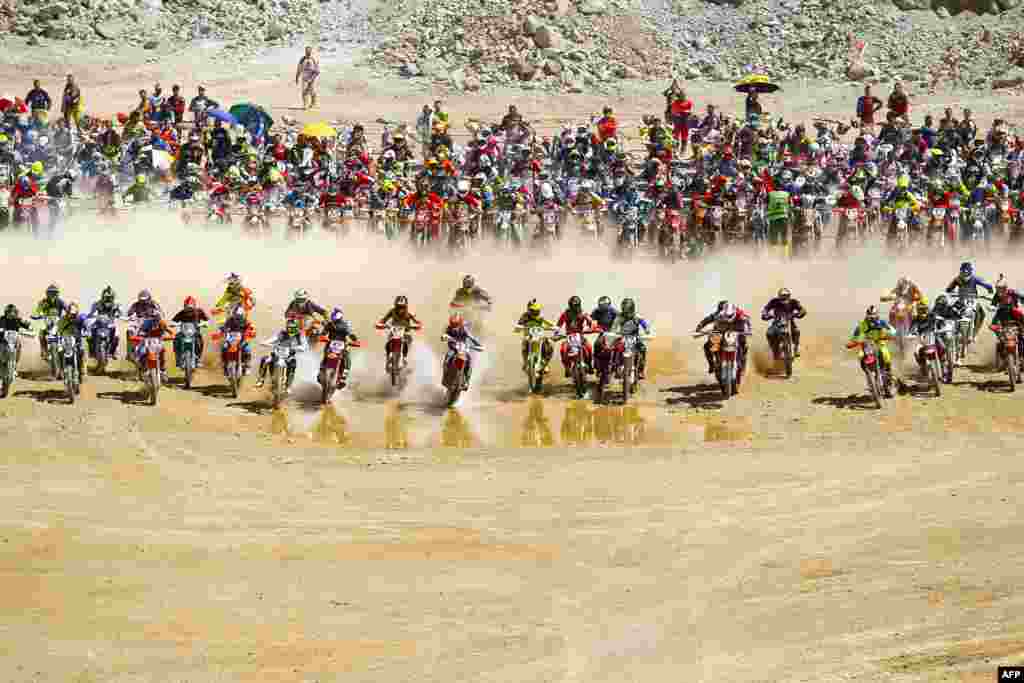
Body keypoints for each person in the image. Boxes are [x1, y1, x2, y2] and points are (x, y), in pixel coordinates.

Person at [848, 306, 895, 394]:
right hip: (866, 347)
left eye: (874, 315)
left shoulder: (882, 322)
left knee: (886, 356)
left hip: (879, 344)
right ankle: (869, 375)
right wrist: (852, 342)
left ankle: (889, 377)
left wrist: (890, 335)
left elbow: (892, 330)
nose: (872, 317)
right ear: (867, 316)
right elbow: (854, 337)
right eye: (870, 315)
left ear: (877, 315)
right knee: (860, 356)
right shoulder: (862, 325)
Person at [696, 301, 750, 377]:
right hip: (720, 335)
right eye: (720, 309)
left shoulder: (739, 314)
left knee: (744, 345)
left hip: (735, 335)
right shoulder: (717, 315)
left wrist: (748, 330)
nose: (721, 311)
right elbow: (707, 320)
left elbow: (746, 320)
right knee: (708, 346)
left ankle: (742, 365)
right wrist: (699, 327)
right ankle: (712, 364)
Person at [945, 261, 993, 338]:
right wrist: (950, 292)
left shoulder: (975, 278)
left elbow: (987, 285)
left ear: (970, 271)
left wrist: (990, 292)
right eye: (963, 271)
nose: (965, 273)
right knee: (949, 312)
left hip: (972, 301)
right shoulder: (957, 279)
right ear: (961, 271)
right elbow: (949, 288)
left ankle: (975, 333)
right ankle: (952, 331)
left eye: (967, 271)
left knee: (982, 314)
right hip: (961, 300)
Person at [608, 297, 652, 379]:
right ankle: (614, 367)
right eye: (625, 310)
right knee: (614, 348)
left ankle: (640, 370)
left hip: (635, 337)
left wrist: (647, 331)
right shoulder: (619, 317)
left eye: (628, 310)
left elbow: (645, 325)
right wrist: (612, 333)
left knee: (642, 349)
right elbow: (614, 327)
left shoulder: (637, 317)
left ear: (632, 309)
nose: (627, 313)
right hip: (622, 337)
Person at [318, 307, 359, 388]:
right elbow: (323, 333)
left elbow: (351, 334)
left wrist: (355, 341)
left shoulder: (345, 325)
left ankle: (343, 378)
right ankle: (321, 372)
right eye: (333, 315)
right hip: (330, 344)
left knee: (347, 359)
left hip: (343, 345)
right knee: (325, 356)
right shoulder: (329, 324)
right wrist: (322, 337)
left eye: (335, 314)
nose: (334, 317)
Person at [377, 295, 422, 366]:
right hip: (394, 331)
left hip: (405, 332)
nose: (400, 309)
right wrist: (380, 324)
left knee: (407, 339)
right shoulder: (392, 311)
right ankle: (388, 356)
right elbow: (383, 320)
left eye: (402, 307)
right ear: (395, 306)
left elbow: (417, 322)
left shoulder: (409, 313)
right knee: (389, 340)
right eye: (398, 307)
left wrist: (417, 326)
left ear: (406, 306)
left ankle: (404, 357)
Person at [761, 288, 807, 358]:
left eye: (786, 296)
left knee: (797, 331)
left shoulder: (793, 302)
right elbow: (766, 308)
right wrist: (765, 314)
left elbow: (802, 309)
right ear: (779, 296)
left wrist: (800, 313)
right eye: (782, 296)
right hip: (777, 322)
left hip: (789, 322)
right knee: (769, 333)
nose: (784, 298)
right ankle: (775, 350)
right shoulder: (774, 301)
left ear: (789, 296)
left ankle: (796, 348)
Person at [443, 312, 483, 389]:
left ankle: (467, 381)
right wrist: (445, 337)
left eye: (456, 324)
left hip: (463, 349)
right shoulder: (449, 328)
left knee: (470, 362)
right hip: (453, 348)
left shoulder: (464, 329)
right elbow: (444, 335)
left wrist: (478, 345)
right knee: (447, 358)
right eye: (452, 324)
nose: (454, 326)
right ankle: (445, 377)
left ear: (460, 323)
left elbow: (472, 338)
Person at [556, 295, 595, 375]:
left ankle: (589, 365)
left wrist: (592, 326)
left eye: (577, 305)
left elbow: (590, 321)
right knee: (563, 350)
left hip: (580, 336)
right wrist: (557, 332)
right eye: (574, 306)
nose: (575, 307)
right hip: (569, 336)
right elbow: (559, 324)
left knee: (589, 347)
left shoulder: (583, 313)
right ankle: (567, 368)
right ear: (570, 305)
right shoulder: (566, 313)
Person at [516, 299, 556, 374]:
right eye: (533, 311)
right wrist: (518, 328)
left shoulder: (540, 317)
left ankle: (545, 364)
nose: (535, 313)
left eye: (537, 311)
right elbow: (519, 324)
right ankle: (525, 362)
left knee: (549, 345)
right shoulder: (525, 316)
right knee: (524, 344)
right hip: (529, 336)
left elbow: (548, 323)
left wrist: (554, 327)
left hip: (540, 336)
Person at [171, 296, 209, 367]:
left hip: (195, 333)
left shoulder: (199, 311)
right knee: (176, 340)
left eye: (191, 306)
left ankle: (198, 359)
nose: (189, 308)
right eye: (187, 306)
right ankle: (178, 358)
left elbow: (206, 319)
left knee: (200, 341)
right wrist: (173, 324)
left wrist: (205, 323)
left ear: (194, 305)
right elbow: (174, 320)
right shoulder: (182, 312)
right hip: (183, 332)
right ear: (185, 305)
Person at [220, 305, 256, 379]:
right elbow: (224, 326)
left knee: (247, 349)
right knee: (224, 348)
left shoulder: (245, 321)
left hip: (241, 340)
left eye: (239, 314)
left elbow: (250, 326)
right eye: (236, 314)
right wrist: (222, 329)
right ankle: (225, 366)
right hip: (231, 339)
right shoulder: (230, 320)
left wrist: (252, 330)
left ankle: (247, 366)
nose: (237, 316)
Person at [87, 286, 123, 359]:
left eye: (110, 298)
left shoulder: (116, 305)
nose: (108, 300)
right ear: (103, 297)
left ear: (113, 298)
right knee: (89, 335)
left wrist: (119, 314)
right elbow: (92, 313)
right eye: (106, 297)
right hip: (99, 323)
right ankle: (91, 352)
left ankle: (113, 352)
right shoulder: (97, 304)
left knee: (116, 336)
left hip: (110, 324)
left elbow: (120, 313)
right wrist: (91, 315)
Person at [31, 283, 66, 359]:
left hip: (58, 322)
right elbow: (37, 310)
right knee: (41, 334)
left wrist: (69, 315)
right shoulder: (43, 302)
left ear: (57, 293)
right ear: (47, 293)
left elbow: (67, 309)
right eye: (50, 292)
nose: (52, 294)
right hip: (47, 322)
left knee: (66, 333)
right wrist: (37, 314)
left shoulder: (61, 302)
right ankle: (44, 350)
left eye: (54, 292)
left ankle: (67, 349)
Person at [56, 303, 88, 379]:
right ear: (67, 312)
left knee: (82, 350)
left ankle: (83, 369)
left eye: (74, 314)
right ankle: (60, 369)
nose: (72, 315)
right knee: (59, 351)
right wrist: (55, 336)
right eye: (70, 313)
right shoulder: (62, 319)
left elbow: (86, 328)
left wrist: (87, 332)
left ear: (77, 313)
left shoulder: (80, 319)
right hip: (66, 339)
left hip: (77, 339)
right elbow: (58, 329)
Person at [0, 304, 33, 372]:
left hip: (14, 338)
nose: (11, 314)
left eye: (13, 312)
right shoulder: (2, 319)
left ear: (15, 313)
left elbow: (26, 324)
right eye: (9, 312)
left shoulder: (18, 319)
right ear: (6, 313)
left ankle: (14, 364)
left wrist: (29, 327)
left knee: (19, 345)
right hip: (3, 338)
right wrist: (1, 330)